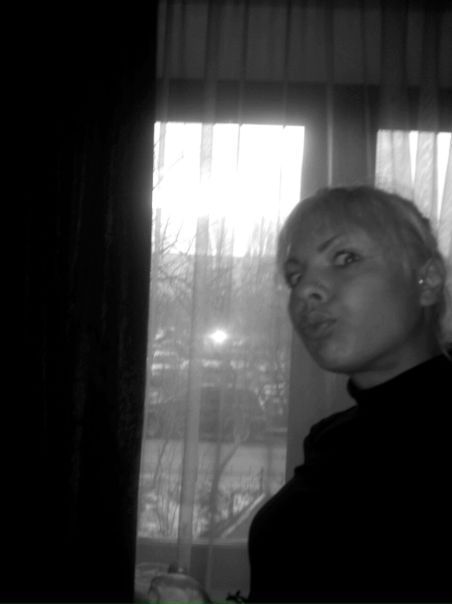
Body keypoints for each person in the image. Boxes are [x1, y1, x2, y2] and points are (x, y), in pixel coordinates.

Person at [247, 186, 452, 603]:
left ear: (427, 280)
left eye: (345, 258)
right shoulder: (330, 438)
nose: (305, 291)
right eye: (295, 276)